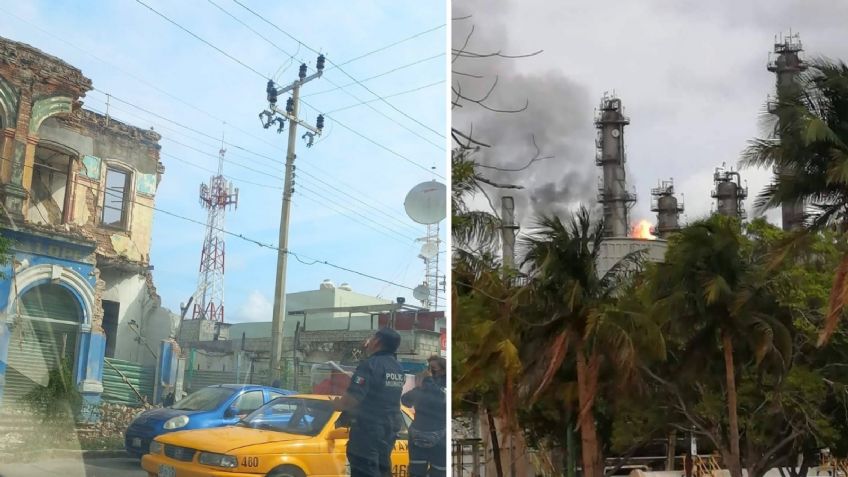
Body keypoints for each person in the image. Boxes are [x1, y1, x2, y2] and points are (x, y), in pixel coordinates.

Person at [332, 328, 405, 477]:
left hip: (368, 429)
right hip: (389, 428)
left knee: (365, 469)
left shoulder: (370, 365)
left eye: (371, 338)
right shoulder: (397, 367)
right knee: (382, 468)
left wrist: (336, 404)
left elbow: (351, 400)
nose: (368, 341)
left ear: (377, 341)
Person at [402, 355, 447, 477]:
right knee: (419, 471)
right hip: (421, 434)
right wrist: (420, 387)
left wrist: (427, 381)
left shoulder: (442, 387)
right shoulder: (424, 388)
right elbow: (405, 401)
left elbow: (441, 398)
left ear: (443, 370)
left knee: (437, 472)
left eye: (433, 368)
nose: (429, 371)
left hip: (438, 435)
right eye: (428, 368)